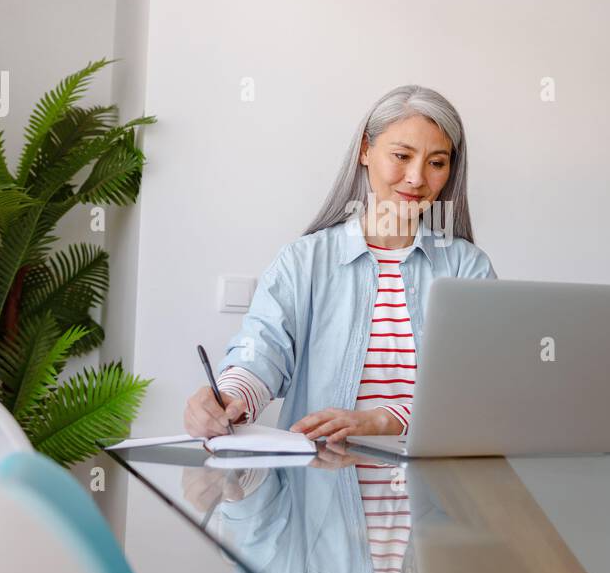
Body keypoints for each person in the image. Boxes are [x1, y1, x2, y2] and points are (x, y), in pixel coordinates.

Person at [182, 83, 496, 446]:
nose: (416, 178)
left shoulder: (467, 268)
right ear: (365, 149)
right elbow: (262, 351)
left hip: (435, 490)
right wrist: (229, 398)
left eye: (436, 163)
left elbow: (480, 390)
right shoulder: (303, 261)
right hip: (322, 482)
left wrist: (384, 421)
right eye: (401, 156)